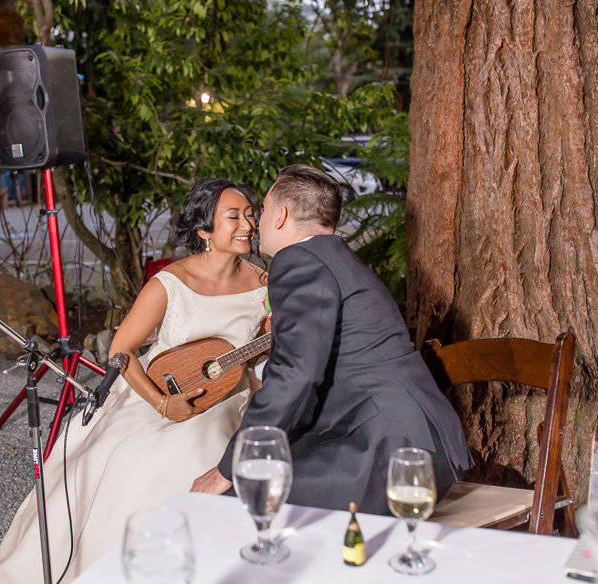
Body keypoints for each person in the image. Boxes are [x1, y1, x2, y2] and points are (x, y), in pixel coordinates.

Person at [0, 179, 268, 584]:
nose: (248, 224)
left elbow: (265, 348)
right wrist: (163, 403)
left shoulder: (264, 283)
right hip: (156, 392)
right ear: (205, 230)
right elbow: (121, 352)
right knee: (123, 458)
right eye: (234, 216)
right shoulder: (172, 281)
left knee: (198, 444)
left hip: (227, 397)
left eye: (250, 214)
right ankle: (103, 581)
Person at [192, 165, 472, 514]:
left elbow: (296, 376)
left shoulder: (298, 261)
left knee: (230, 498)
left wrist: (228, 468)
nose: (257, 222)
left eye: (262, 210)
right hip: (419, 446)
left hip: (390, 456)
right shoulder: (336, 257)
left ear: (280, 216)